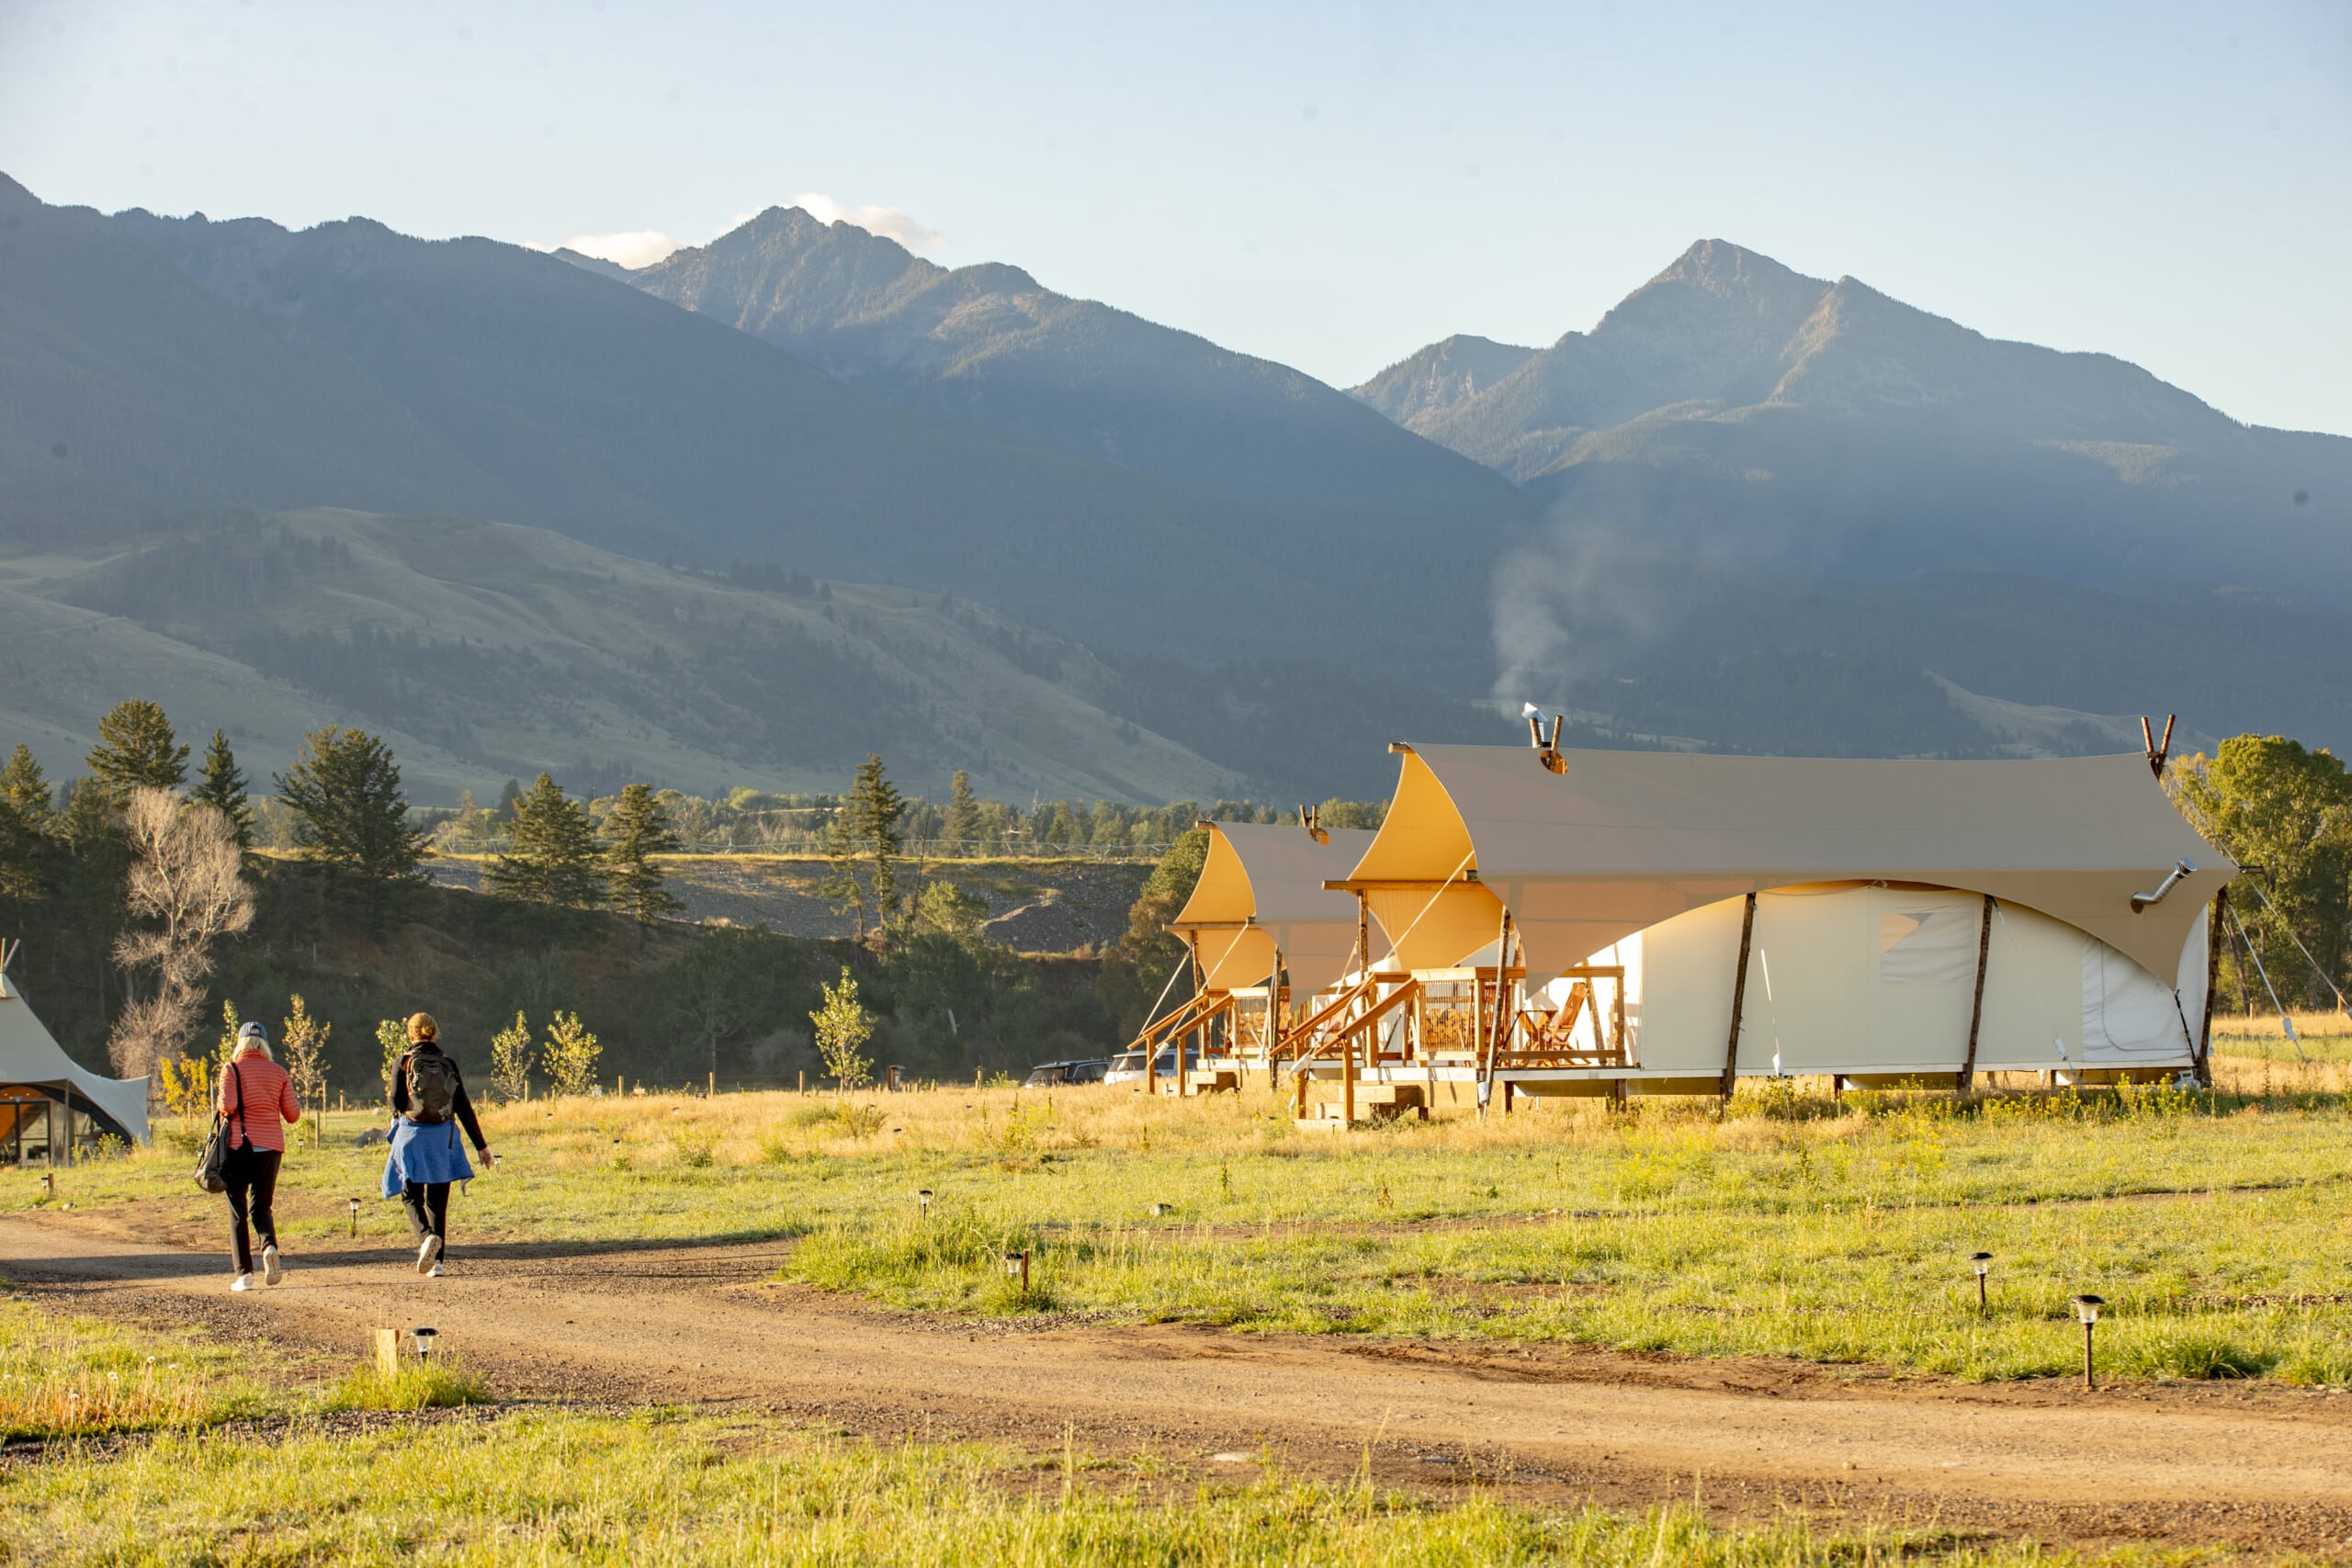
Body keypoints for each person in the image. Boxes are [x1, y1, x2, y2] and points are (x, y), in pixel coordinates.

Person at [382, 1012, 491, 1277]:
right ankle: (438, 1264)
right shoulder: (448, 1063)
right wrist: (481, 1146)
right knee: (437, 1202)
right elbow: (463, 1107)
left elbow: (395, 1101)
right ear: (434, 1033)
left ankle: (425, 1236)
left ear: (411, 1035)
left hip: (412, 1137)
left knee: (410, 1195)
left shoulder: (404, 1062)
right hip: (444, 1138)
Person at [218, 1021, 301, 1292]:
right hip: (271, 1150)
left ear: (240, 1043)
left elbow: (228, 1106)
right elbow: (292, 1115)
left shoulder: (231, 1070)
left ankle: (244, 1275)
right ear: (264, 1043)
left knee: (237, 1209)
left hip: (239, 1147)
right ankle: (269, 1246)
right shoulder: (280, 1072)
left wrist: (223, 1105)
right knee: (262, 1207)